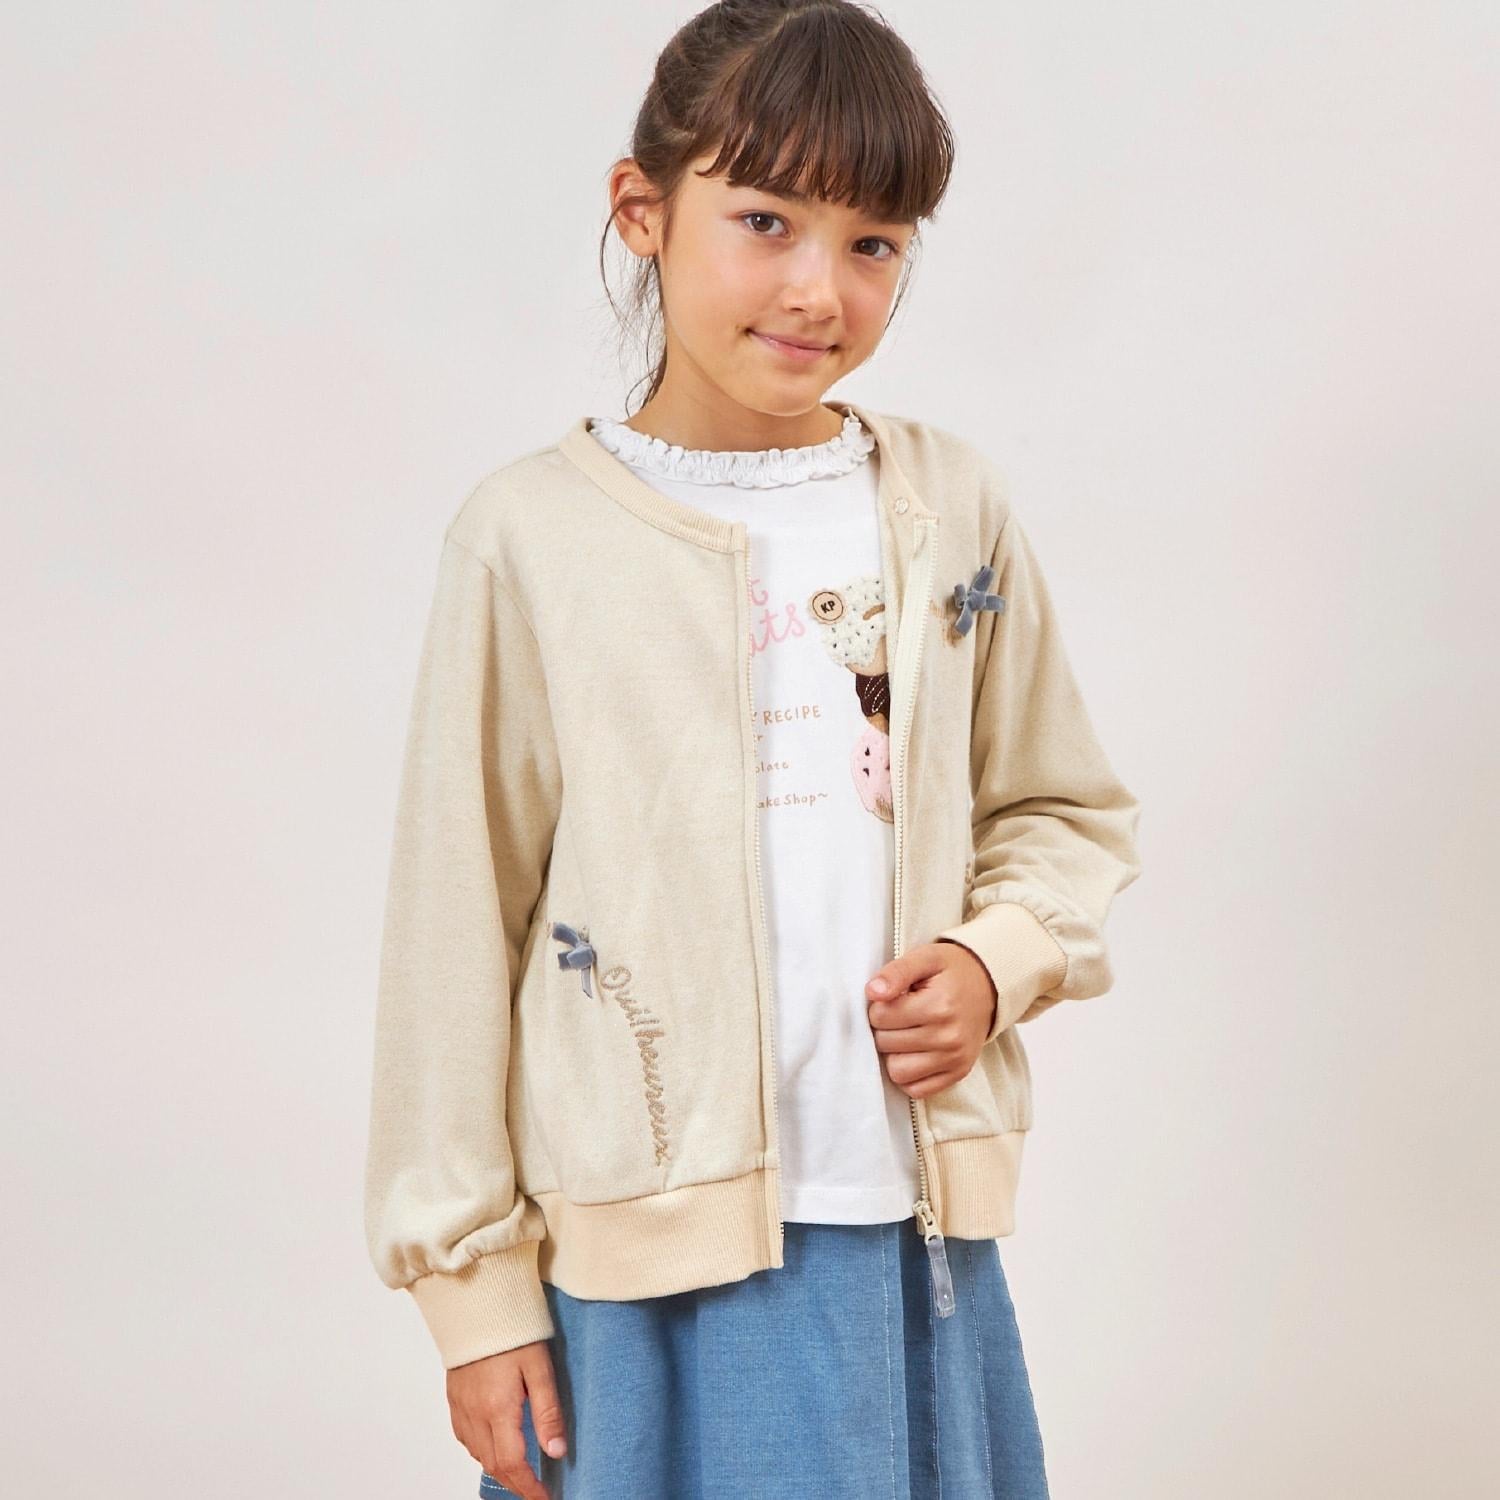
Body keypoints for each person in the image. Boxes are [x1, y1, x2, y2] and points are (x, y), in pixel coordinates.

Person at [362, 2, 1143, 1496]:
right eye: (766, 219)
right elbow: (456, 921)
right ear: (642, 210)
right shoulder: (532, 538)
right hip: (635, 1267)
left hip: (905, 1243)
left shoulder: (948, 510)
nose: (816, 289)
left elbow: (1064, 808)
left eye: (874, 242)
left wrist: (995, 960)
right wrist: (472, 1293)